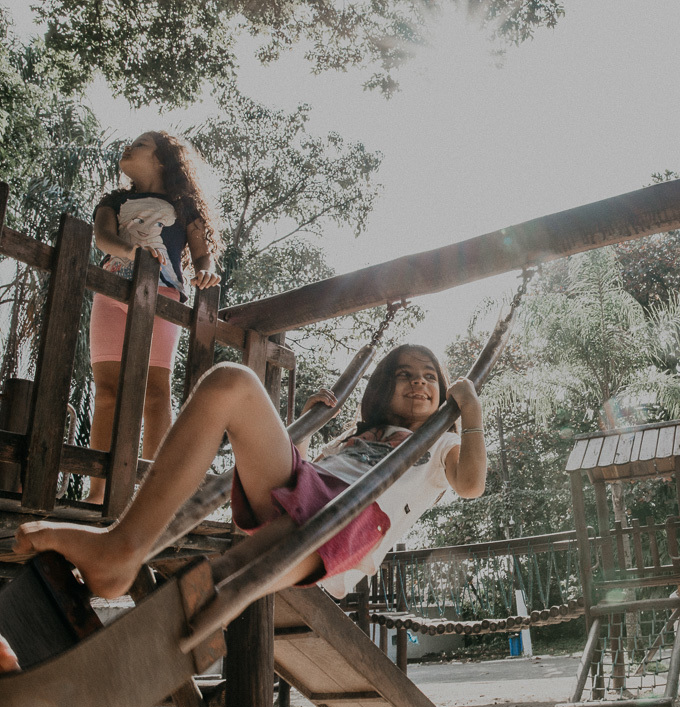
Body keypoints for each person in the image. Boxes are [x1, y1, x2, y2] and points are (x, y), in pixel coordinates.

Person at [11, 344, 486, 616]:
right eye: (405, 374)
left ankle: (163, 603)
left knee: (211, 589)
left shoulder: (438, 446)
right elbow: (297, 474)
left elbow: (470, 484)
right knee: (230, 382)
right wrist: (302, 424)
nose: (419, 382)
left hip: (348, 523)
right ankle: (122, 547)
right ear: (384, 388)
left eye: (429, 377)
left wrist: (469, 414)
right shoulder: (354, 436)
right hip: (306, 493)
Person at [87, 131, 222, 504]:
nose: (129, 146)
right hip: (111, 291)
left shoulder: (184, 204)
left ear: (163, 159)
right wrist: (132, 252)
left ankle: (150, 491)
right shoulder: (114, 200)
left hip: (161, 298)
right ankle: (97, 490)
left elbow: (202, 253)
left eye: (141, 143)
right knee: (107, 393)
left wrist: (206, 271)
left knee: (156, 393)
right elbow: (103, 237)